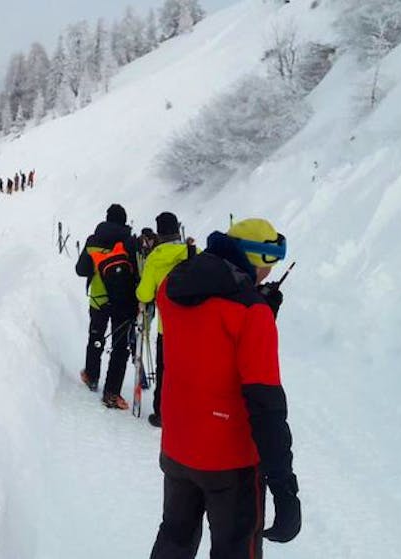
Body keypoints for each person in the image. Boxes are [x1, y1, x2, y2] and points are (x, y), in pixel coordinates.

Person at [149, 218, 299, 559]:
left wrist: (255, 305)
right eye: (268, 264)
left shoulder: (171, 287)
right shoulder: (251, 313)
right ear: (255, 259)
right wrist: (284, 486)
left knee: (174, 540)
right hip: (231, 462)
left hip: (178, 447)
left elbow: (205, 340)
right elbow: (266, 405)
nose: (269, 274)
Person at [75, 204, 140, 410]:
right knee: (120, 347)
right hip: (124, 302)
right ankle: (112, 394)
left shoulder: (93, 241)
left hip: (99, 300)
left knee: (96, 338)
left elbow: (81, 270)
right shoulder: (130, 242)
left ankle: (92, 376)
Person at [135, 213, 194, 428]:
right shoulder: (191, 252)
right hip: (196, 324)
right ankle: (189, 411)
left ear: (158, 234)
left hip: (167, 326)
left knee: (165, 370)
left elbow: (145, 295)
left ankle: (161, 412)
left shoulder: (155, 258)